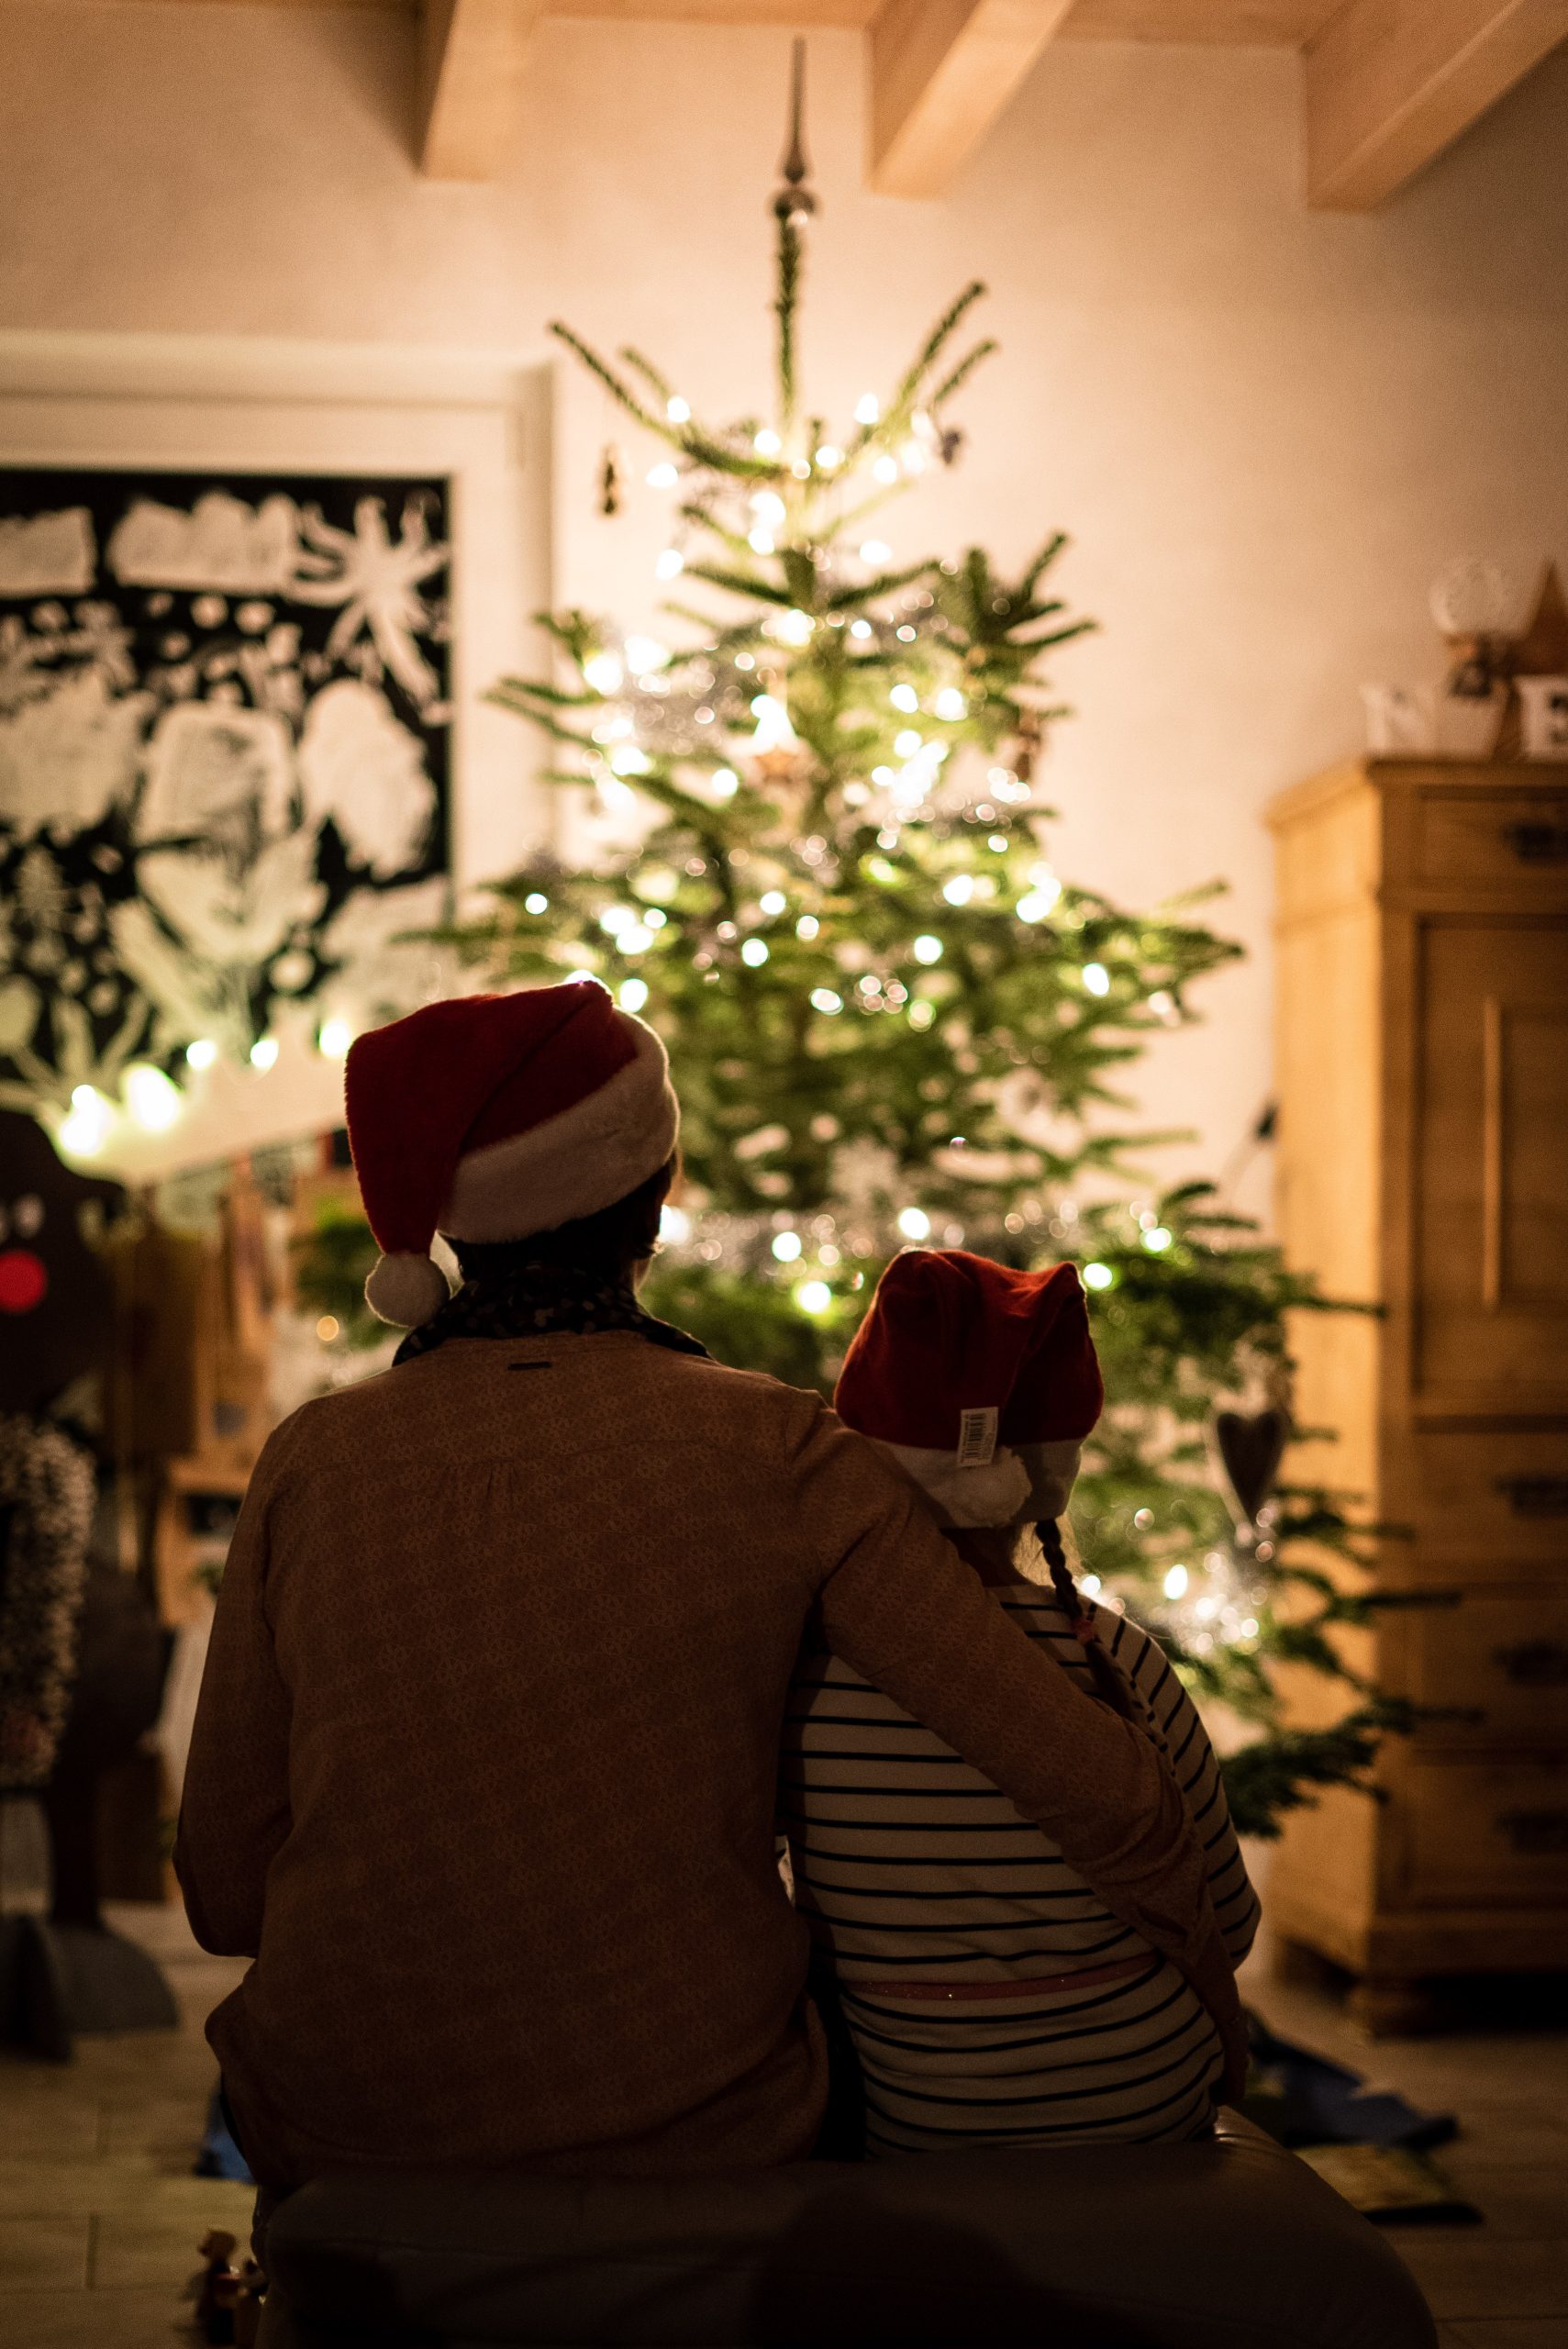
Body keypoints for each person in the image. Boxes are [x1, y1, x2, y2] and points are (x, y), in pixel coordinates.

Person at [175, 982, 1242, 2192]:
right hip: (697, 2130)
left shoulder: (313, 1460)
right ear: (659, 1182)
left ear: (453, 1226)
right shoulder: (773, 1448)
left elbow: (222, 1890)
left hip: (339, 2128)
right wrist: (1217, 2007)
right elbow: (1083, 1773)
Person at [784, 1248, 1260, 2156]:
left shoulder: (802, 1676)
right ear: (1045, 1474)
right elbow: (1226, 1924)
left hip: (918, 2115)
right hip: (1145, 2099)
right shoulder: (1117, 1657)